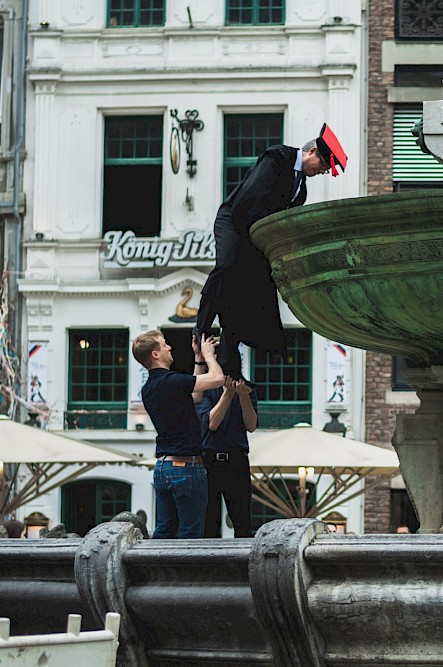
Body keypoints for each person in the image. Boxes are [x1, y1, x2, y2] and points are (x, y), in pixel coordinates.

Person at [196, 124, 347, 381]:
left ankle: (230, 363)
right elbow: (250, 199)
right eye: (322, 166)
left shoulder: (302, 188)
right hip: (235, 222)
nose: (321, 172)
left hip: (257, 234)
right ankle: (200, 328)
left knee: (251, 293)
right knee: (227, 267)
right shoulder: (278, 158)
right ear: (312, 152)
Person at [132, 330, 225, 538]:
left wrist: (198, 360)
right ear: (156, 354)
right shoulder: (171, 381)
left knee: (164, 529)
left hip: (163, 468)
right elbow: (218, 378)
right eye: (164, 345)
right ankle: (186, 572)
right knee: (191, 533)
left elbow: (194, 396)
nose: (170, 347)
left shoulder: (149, 388)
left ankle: (152, 569)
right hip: (186, 467)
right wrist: (209, 355)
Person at [195, 374, 258, 538]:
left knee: (243, 522)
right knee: (209, 524)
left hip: (237, 460)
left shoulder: (247, 388)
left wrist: (244, 396)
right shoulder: (207, 389)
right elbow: (212, 423)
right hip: (209, 461)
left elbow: (251, 425)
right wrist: (229, 392)